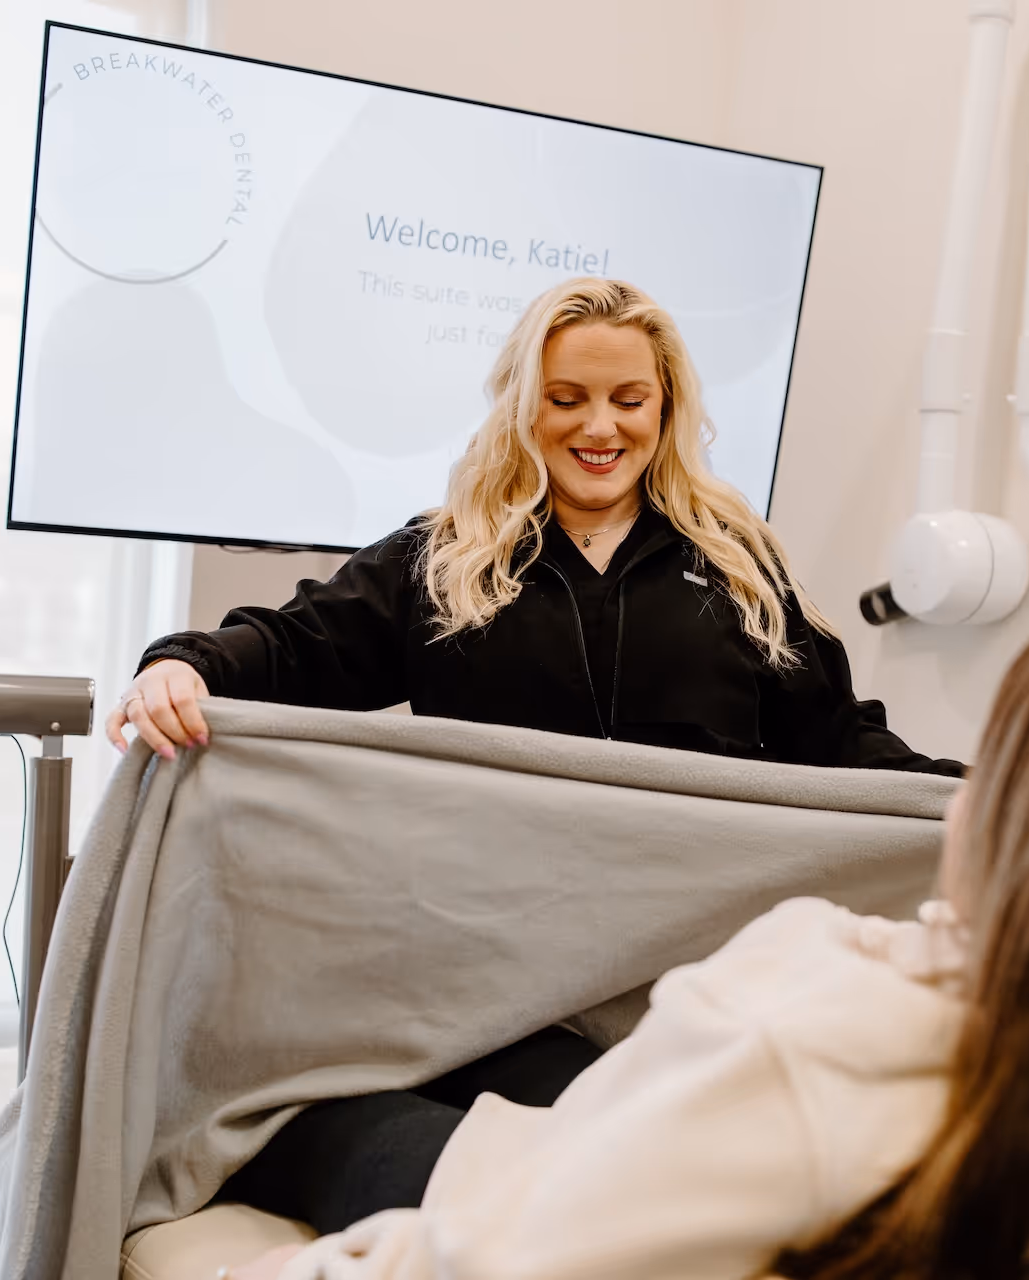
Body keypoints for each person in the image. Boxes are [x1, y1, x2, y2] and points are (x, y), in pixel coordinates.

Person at [106, 278, 961, 1241]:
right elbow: (290, 645)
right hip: (482, 996)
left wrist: (977, 798)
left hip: (666, 988)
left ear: (666, 409)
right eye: (567, 400)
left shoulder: (736, 569)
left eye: (629, 401)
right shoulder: (446, 560)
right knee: (573, 1162)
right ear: (524, 406)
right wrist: (181, 666)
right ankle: (297, 1136)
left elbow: (843, 739)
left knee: (638, 1155)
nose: (600, 426)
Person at [224, 622, 1029, 1280]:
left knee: (308, 1110)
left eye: (991, 770)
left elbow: (495, 1257)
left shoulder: (818, 1032)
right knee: (525, 1053)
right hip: (658, 1128)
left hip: (615, 1166)